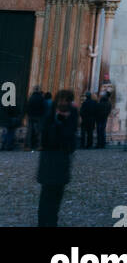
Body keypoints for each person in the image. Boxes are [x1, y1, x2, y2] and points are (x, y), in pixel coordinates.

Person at [37, 90, 78, 228]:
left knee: (57, 196)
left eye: (67, 101)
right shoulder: (49, 116)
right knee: (46, 195)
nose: (64, 103)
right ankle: (43, 223)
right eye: (62, 100)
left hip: (61, 161)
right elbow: (47, 138)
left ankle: (52, 222)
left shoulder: (72, 116)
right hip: (49, 161)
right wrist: (59, 121)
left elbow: (70, 139)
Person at [24, 87, 45, 151]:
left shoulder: (30, 98)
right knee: (39, 131)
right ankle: (39, 145)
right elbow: (43, 107)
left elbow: (27, 107)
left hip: (30, 116)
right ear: (38, 90)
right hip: (39, 116)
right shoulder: (41, 98)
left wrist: (27, 114)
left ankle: (28, 146)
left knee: (29, 131)